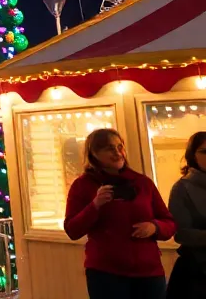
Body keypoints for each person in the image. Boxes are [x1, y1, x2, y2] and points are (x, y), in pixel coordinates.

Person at [64, 127, 175, 298]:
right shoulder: (83, 185)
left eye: (120, 147)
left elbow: (169, 222)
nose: (118, 153)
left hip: (148, 271)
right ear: (94, 153)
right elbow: (72, 230)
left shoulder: (142, 182)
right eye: (110, 148)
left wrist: (154, 227)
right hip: (106, 273)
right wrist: (95, 205)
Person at [167, 131, 206, 298]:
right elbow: (181, 233)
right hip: (197, 272)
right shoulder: (182, 188)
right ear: (193, 155)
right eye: (204, 152)